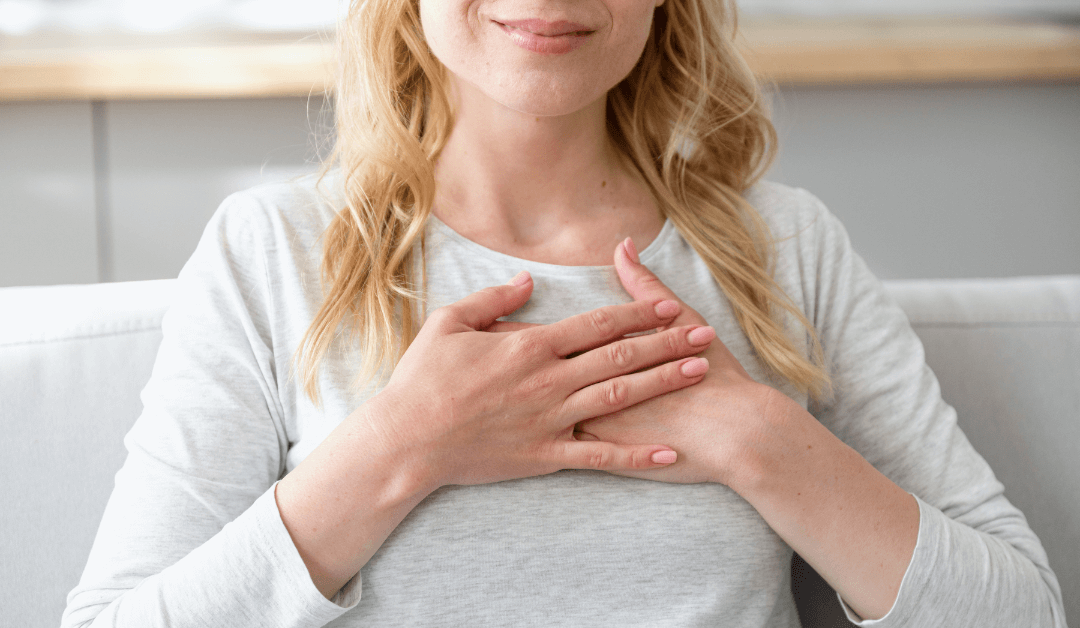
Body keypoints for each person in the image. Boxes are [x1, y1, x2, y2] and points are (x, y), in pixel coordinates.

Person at [63, 0, 1066, 625]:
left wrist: (761, 438)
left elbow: (1022, 613)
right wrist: (403, 446)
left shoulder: (786, 250)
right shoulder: (272, 251)